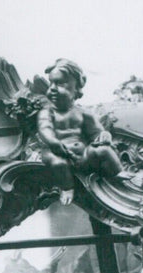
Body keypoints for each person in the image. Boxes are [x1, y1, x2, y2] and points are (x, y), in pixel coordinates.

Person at [36, 59, 121, 202]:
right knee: (59, 164)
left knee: (104, 151)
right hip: (56, 152)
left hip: (82, 155)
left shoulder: (83, 113)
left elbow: (96, 133)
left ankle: (118, 177)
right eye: (51, 83)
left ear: (77, 87)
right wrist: (53, 142)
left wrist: (105, 136)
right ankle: (67, 188)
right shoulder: (47, 112)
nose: (52, 88)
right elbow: (45, 129)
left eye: (60, 83)